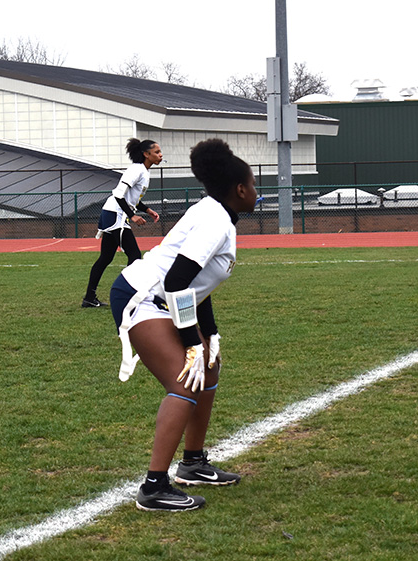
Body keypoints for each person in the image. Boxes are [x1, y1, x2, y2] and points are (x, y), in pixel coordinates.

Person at [109, 138, 258, 511]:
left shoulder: (216, 212)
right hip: (142, 296)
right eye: (253, 184)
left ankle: (192, 463)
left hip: (165, 299)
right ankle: (154, 487)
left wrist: (210, 334)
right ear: (239, 190)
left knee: (209, 365)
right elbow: (176, 282)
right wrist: (192, 342)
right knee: (185, 380)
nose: (255, 191)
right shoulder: (215, 221)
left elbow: (195, 285)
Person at [82, 138, 163, 308]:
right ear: (146, 154)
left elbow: (132, 198)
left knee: (106, 258)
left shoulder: (144, 172)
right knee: (134, 255)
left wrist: (147, 210)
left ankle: (89, 298)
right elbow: (118, 194)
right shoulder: (136, 170)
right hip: (115, 214)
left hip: (113, 214)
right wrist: (132, 216)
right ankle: (127, 296)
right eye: (156, 152)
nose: (160, 155)